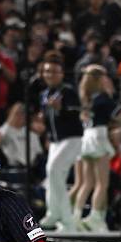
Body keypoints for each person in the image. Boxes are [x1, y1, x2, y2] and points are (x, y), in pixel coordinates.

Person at [38, 54, 83, 232]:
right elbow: (47, 120)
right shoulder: (44, 94)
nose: (50, 75)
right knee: (53, 177)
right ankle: (54, 213)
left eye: (55, 71)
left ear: (62, 73)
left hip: (72, 138)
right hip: (56, 141)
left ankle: (65, 219)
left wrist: (60, 108)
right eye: (47, 71)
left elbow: (74, 115)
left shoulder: (68, 92)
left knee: (53, 170)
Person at [74, 64, 118, 231]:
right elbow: (119, 115)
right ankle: (94, 217)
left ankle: (77, 217)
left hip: (87, 137)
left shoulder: (87, 97)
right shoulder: (104, 98)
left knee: (87, 183)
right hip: (99, 136)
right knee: (102, 183)